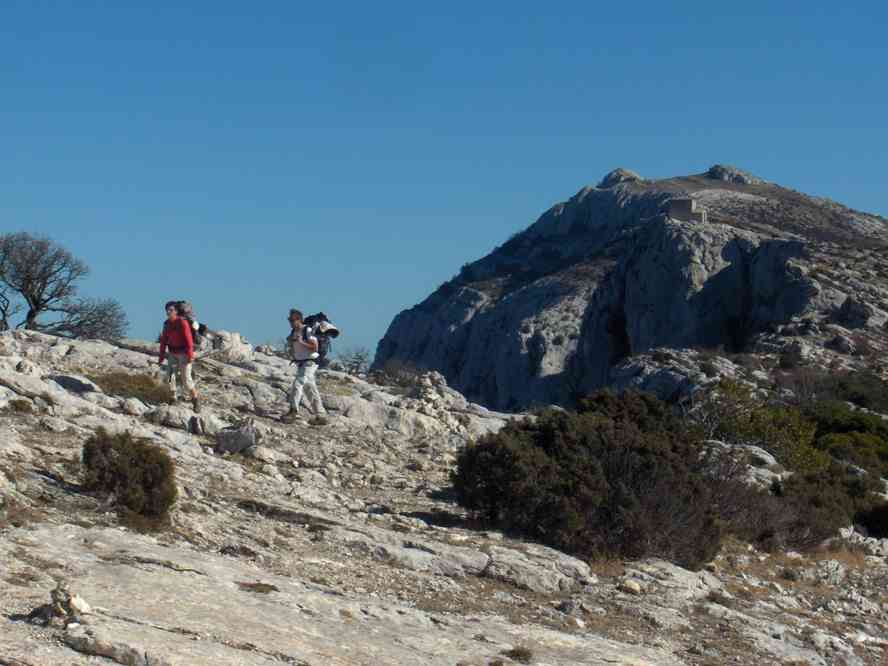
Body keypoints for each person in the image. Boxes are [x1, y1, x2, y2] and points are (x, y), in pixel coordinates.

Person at [282, 308, 327, 423]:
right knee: (310, 389)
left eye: (292, 320)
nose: (290, 323)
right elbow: (294, 347)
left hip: (310, 362)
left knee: (298, 383)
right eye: (289, 320)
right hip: (301, 363)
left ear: (299, 320)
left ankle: (293, 411)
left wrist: (301, 341)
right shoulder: (293, 332)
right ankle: (321, 415)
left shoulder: (307, 330)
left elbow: (315, 347)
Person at [158, 301, 200, 413]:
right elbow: (163, 341)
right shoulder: (167, 324)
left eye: (171, 310)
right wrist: (161, 357)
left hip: (184, 354)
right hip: (172, 353)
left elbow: (189, 340)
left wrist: (190, 355)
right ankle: (173, 398)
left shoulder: (182, 323)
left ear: (176, 311)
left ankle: (195, 400)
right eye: (167, 310)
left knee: (186, 380)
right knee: (171, 377)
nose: (168, 312)